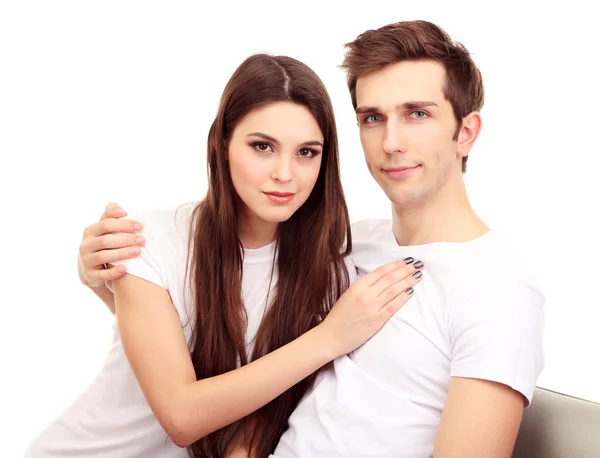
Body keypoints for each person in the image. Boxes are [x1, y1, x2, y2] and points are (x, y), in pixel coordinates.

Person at [74, 20, 546, 457]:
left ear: (466, 132)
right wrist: (116, 286)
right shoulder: (348, 248)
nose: (391, 142)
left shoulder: (497, 292)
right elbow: (246, 380)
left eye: (417, 114)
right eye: (373, 118)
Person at [25, 53, 424, 458]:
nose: (285, 173)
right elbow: (181, 416)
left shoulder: (329, 274)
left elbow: (253, 429)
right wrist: (330, 338)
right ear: (223, 144)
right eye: (262, 146)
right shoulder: (148, 241)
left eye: (306, 152)